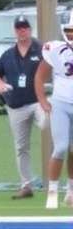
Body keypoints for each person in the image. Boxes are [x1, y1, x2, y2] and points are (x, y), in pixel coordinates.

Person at [0, 15, 46, 199]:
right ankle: (26, 185)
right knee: (21, 147)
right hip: (16, 106)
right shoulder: (8, 54)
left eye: (25, 27)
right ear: (15, 31)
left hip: (37, 101)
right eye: (19, 28)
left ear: (30, 30)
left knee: (48, 124)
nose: (22, 31)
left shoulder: (40, 50)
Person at [34, 15, 73, 209]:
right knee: (60, 147)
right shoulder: (55, 49)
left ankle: (71, 191)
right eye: (69, 30)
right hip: (61, 104)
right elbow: (39, 77)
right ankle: (52, 190)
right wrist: (42, 100)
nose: (71, 34)